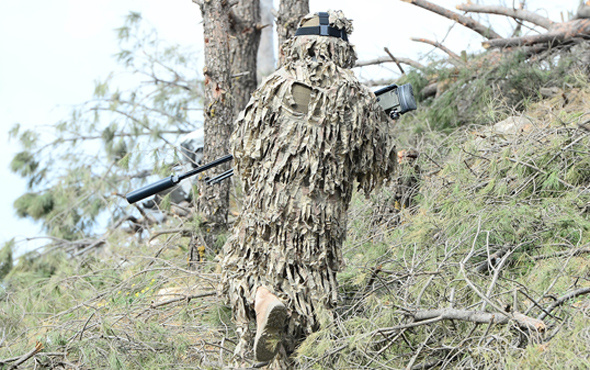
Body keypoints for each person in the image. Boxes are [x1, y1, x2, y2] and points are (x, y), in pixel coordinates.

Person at [220, 10, 397, 366]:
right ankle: (295, 340)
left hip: (266, 209)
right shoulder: (357, 95)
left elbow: (242, 147)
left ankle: (263, 299)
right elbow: (374, 166)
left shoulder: (275, 85)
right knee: (311, 302)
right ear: (341, 48)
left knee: (241, 271)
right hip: (320, 218)